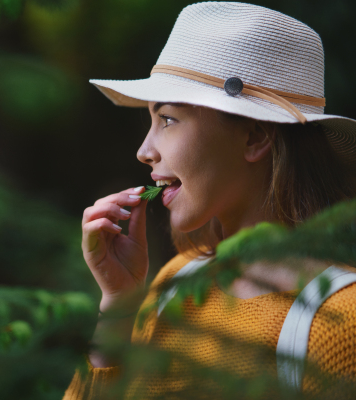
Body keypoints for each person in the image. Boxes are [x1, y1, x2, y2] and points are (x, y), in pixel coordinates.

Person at [63, 2, 356, 399]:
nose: (144, 150)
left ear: (255, 137)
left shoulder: (341, 322)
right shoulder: (175, 282)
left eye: (167, 119)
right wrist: (118, 304)